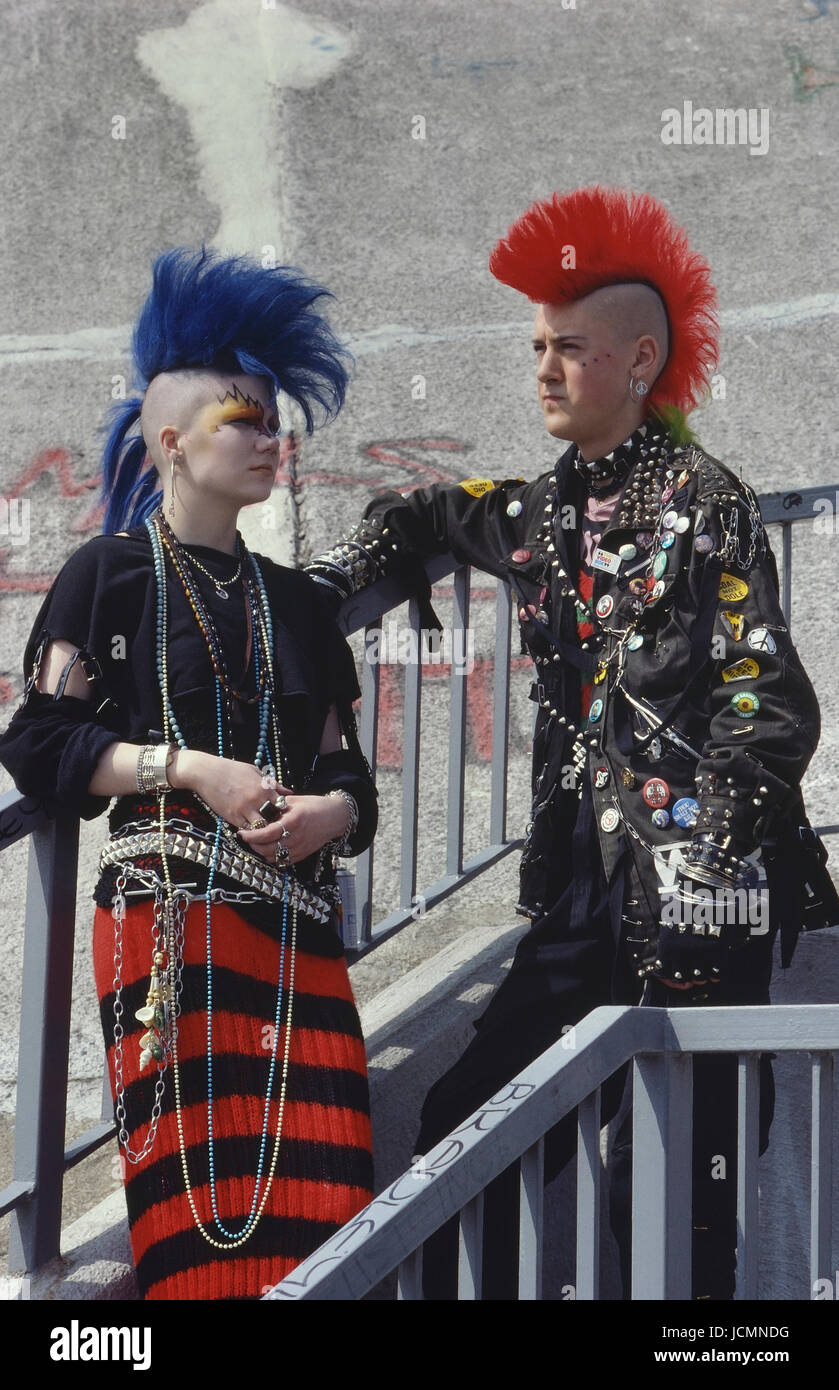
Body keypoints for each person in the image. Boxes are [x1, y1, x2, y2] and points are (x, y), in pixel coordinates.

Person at [306, 185, 839, 1299]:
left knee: (683, 1186)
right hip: (580, 896)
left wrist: (716, 840)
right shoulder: (538, 510)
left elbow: (767, 694)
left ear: (640, 361)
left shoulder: (708, 505)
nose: (542, 369)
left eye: (568, 348)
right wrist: (334, 579)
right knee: (465, 1131)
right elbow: (422, 514)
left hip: (699, 892)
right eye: (536, 347)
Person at [0, 247, 377, 1300]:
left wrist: (327, 811)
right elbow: (39, 741)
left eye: (272, 419)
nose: (269, 438)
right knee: (198, 1221)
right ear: (171, 441)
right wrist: (191, 769)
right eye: (242, 419)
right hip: (166, 928)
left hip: (295, 929)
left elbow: (355, 777)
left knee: (333, 1198)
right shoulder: (107, 575)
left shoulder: (299, 603)